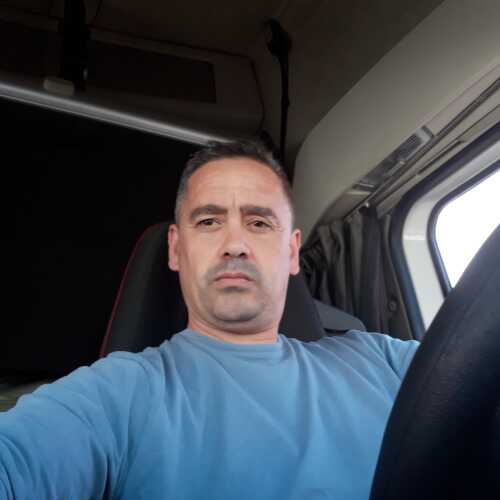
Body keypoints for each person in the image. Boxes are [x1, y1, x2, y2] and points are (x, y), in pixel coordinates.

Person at [0, 140, 419, 499]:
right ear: (176, 249)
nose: (234, 244)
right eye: (208, 221)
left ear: (292, 253)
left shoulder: (380, 360)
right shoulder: (120, 392)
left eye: (259, 222)